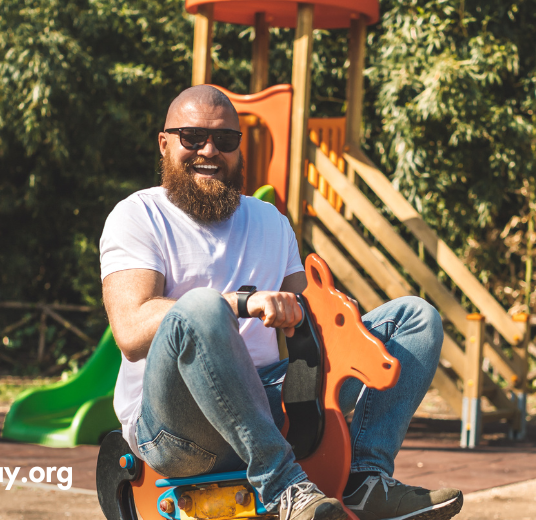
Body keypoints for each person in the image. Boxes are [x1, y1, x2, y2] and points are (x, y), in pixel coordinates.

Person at [99, 85, 462, 520]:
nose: (209, 151)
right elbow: (131, 330)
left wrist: (335, 315)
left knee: (416, 318)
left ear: (239, 147)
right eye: (192, 138)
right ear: (164, 143)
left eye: (225, 140)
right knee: (200, 308)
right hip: (177, 427)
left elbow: (311, 322)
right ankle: (283, 486)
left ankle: (365, 478)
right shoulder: (138, 216)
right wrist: (238, 302)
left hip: (270, 397)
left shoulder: (269, 220)